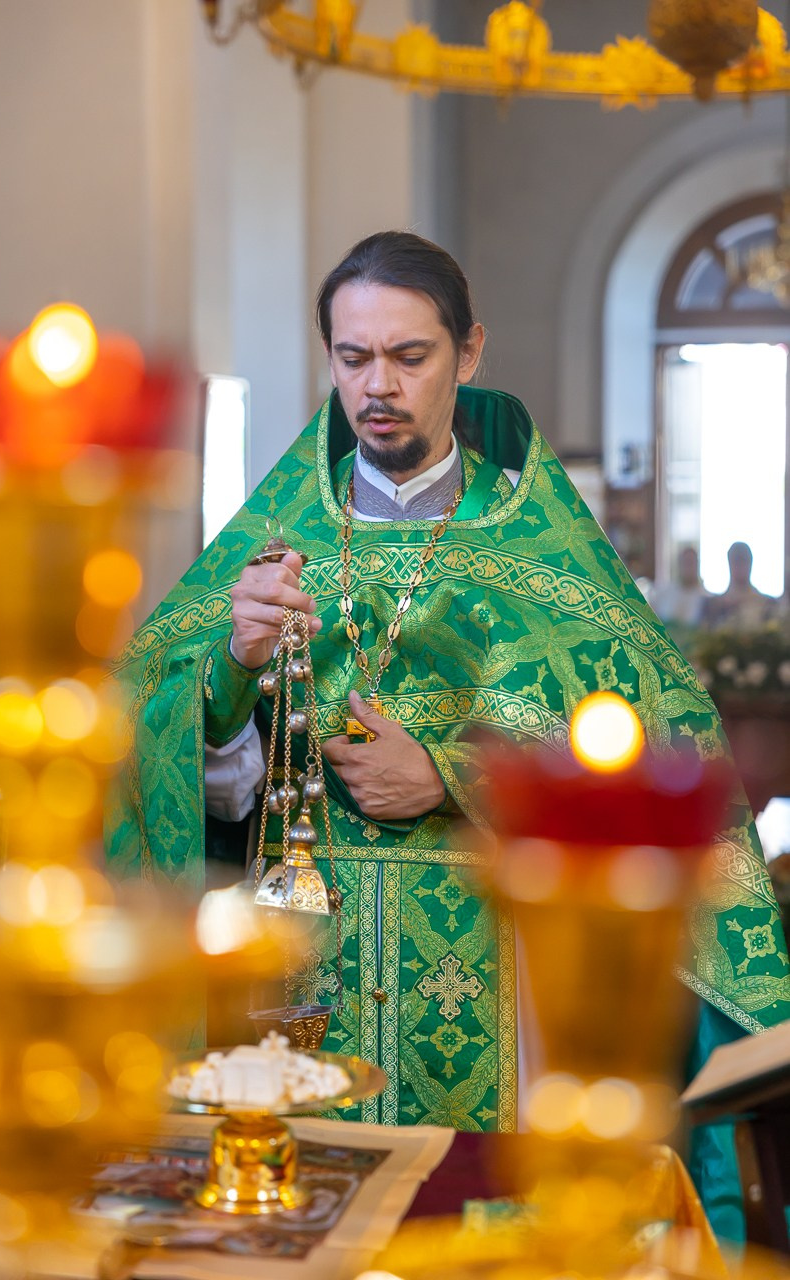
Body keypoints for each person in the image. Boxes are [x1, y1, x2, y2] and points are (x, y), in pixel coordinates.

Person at [106, 232, 790, 1239]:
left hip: (497, 967)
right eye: (352, 358)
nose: (376, 385)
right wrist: (233, 667)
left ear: (467, 353)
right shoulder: (272, 542)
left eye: (408, 356)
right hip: (301, 973)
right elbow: (156, 751)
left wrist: (452, 772)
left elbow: (649, 752)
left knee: (484, 1233)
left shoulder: (544, 556)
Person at [702, 541, 779, 629]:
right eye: (736, 560)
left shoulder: (768, 603)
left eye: (744, 560)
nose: (740, 565)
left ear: (750, 562)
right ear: (729, 563)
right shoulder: (714, 605)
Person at [651, 544, 707, 630]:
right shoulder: (664, 593)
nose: (688, 568)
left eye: (691, 562)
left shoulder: (705, 599)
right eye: (686, 562)